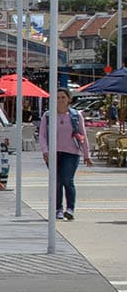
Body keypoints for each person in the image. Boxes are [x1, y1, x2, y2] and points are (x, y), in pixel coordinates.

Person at [39, 88, 91, 220]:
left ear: (69, 99)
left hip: (71, 153)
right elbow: (42, 135)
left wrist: (86, 154)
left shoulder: (76, 115)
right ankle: (58, 209)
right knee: (56, 181)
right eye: (58, 97)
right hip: (53, 153)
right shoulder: (48, 115)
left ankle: (70, 208)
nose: (60, 100)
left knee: (67, 180)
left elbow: (82, 135)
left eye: (63, 97)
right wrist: (45, 151)